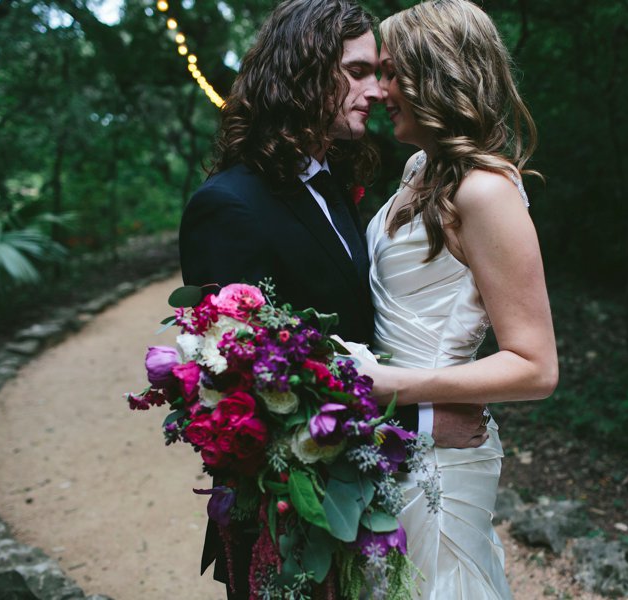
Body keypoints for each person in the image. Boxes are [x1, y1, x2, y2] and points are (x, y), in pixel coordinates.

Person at [178, 1, 488, 596]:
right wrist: (420, 421)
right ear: (300, 70)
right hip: (291, 526)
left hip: (361, 507)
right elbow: (247, 394)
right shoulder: (230, 205)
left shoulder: (332, 182)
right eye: (357, 70)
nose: (375, 90)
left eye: (379, 73)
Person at [358, 1, 559, 597]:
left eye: (392, 72)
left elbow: (535, 367)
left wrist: (395, 391)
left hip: (438, 452)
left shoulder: (485, 192)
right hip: (393, 436)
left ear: (436, 73)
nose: (379, 89)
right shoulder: (421, 169)